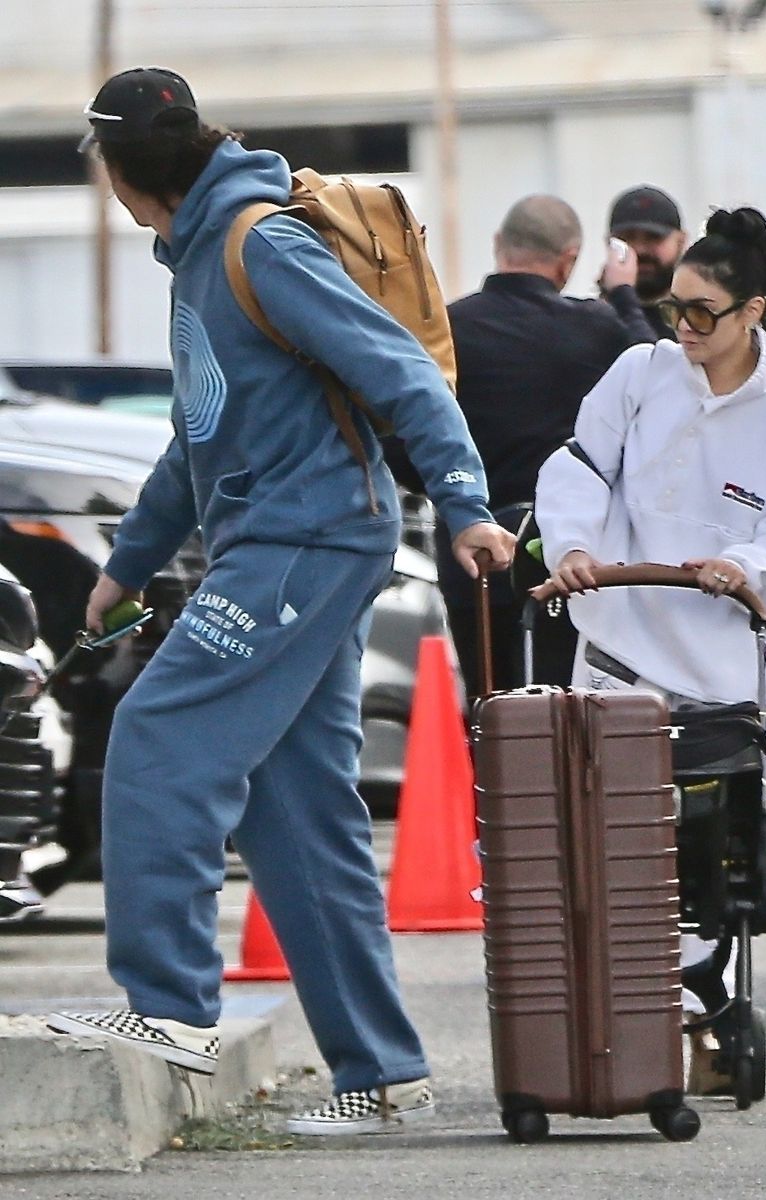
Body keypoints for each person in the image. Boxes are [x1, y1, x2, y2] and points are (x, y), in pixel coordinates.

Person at [46, 66, 516, 1136]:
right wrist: (125, 566)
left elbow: (401, 369)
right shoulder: (201, 259)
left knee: (159, 743)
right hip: (282, 540)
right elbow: (197, 437)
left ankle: (166, 1012)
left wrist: (466, 504)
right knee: (299, 813)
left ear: (121, 172)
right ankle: (381, 1071)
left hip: (305, 542)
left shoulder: (259, 243)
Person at [534, 205, 766, 1090]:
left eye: (702, 313)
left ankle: (691, 1005)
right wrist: (572, 550)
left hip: (717, 674)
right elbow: (580, 467)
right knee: (597, 849)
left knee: (708, 866)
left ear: (753, 312)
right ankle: (612, 1018)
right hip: (615, 654)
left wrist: (744, 562)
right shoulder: (640, 372)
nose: (682, 328)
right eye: (673, 306)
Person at [434, 194, 648, 695]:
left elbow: (403, 434)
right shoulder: (595, 328)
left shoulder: (446, 329)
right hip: (563, 550)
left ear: (497, 245)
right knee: (563, 710)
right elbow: (655, 374)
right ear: (569, 259)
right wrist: (623, 296)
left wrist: (450, 491)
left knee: (492, 709)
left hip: (471, 546)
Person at [601, 184, 687, 342]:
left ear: (681, 242)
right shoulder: (595, 319)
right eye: (627, 238)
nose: (640, 249)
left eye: (653, 237)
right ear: (609, 243)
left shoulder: (695, 321)